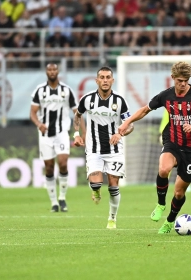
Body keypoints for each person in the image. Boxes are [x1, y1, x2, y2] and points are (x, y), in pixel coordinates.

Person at [118, 62, 191, 234]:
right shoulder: (166, 96)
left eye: (186, 80)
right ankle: (160, 204)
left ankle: (170, 221)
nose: (183, 84)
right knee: (163, 169)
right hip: (173, 141)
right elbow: (145, 110)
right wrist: (127, 121)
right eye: (179, 80)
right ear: (173, 78)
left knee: (178, 193)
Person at [72, 66, 133, 229]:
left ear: (112, 80)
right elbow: (77, 115)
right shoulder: (87, 99)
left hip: (114, 151)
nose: (105, 80)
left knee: (113, 185)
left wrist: (120, 134)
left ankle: (112, 219)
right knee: (96, 183)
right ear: (97, 80)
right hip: (94, 149)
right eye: (102, 77)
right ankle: (96, 191)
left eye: (108, 77)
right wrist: (76, 134)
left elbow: (131, 125)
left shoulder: (120, 101)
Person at [30, 63, 84, 213]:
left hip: (61, 133)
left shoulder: (66, 91)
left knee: (63, 163)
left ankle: (62, 198)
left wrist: (82, 133)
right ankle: (53, 202)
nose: (52, 72)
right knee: (48, 167)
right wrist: (38, 124)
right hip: (45, 134)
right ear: (46, 72)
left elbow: (77, 113)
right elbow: (32, 113)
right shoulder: (40, 91)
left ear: (58, 71)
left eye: (54, 69)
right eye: (49, 69)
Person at [159, 109, 191, 192]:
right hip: (169, 135)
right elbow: (165, 121)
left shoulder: (188, 106)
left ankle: (185, 183)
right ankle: (163, 180)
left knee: (184, 159)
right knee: (167, 161)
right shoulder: (169, 105)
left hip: (183, 136)